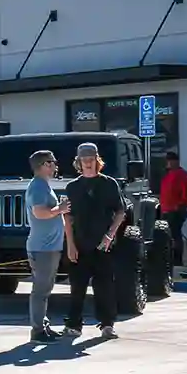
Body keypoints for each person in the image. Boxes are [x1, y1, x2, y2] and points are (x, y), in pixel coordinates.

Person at [62, 142, 129, 339]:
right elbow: (68, 217)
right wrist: (70, 245)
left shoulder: (109, 184)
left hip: (103, 245)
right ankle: (74, 325)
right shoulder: (72, 187)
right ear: (79, 163)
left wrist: (110, 236)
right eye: (84, 160)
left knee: (105, 287)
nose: (88, 164)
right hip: (80, 244)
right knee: (77, 288)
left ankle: (107, 325)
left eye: (91, 160)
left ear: (97, 161)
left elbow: (120, 211)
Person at [24, 149, 69, 343]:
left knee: (45, 290)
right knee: (41, 291)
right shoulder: (38, 187)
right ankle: (38, 331)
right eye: (52, 162)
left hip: (48, 247)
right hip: (42, 248)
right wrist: (60, 208)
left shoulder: (43, 185)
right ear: (43, 165)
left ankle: (43, 326)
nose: (55, 165)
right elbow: (39, 212)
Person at [159, 150, 187, 268]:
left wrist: (181, 205)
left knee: (175, 235)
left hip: (176, 210)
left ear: (176, 161)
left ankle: (177, 260)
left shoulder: (182, 174)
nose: (168, 163)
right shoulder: (168, 175)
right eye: (167, 160)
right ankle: (170, 259)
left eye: (170, 160)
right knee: (168, 235)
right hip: (166, 209)